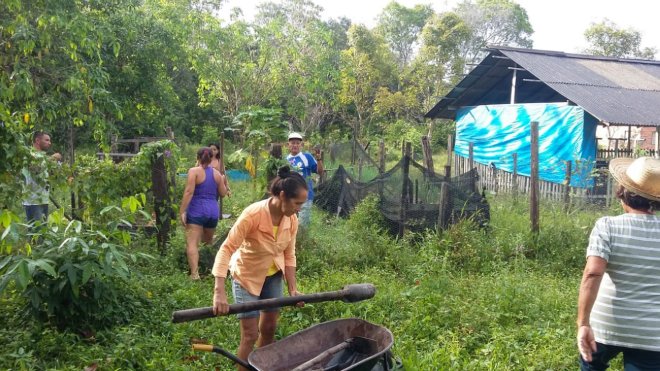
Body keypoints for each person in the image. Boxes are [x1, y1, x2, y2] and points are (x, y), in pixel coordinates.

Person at [212, 166, 307, 370]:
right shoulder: (253, 214)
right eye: (297, 203)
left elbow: (289, 255)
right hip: (246, 277)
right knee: (250, 335)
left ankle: (260, 367)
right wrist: (219, 292)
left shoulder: (292, 220)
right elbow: (226, 248)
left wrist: (293, 289)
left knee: (270, 328)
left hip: (272, 276)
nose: (299, 208)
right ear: (282, 196)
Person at [576, 156, 660, 370]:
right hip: (651, 334)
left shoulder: (607, 226)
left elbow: (592, 274)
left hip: (605, 327)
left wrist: (583, 323)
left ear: (622, 192)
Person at [180, 147, 228, 280]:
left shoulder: (194, 171)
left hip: (196, 210)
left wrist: (182, 210)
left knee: (192, 243)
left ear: (197, 158)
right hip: (212, 212)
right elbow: (223, 193)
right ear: (212, 158)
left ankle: (195, 274)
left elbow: (189, 192)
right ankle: (210, 270)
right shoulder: (217, 174)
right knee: (208, 243)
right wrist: (224, 180)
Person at [286, 132, 323, 227]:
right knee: (289, 224)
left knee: (302, 226)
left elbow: (320, 172)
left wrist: (319, 159)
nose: (295, 145)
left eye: (297, 143)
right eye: (293, 143)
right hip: (290, 197)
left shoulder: (307, 157)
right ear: (288, 144)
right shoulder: (285, 160)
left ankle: (302, 241)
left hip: (305, 196)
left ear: (301, 145)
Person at [23, 131, 61, 224]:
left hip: (43, 199)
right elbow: (35, 169)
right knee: (36, 233)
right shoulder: (30, 154)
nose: (49, 142)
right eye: (47, 140)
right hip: (33, 201)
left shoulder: (43, 156)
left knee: (42, 234)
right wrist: (51, 159)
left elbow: (47, 175)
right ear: (37, 140)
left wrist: (56, 168)